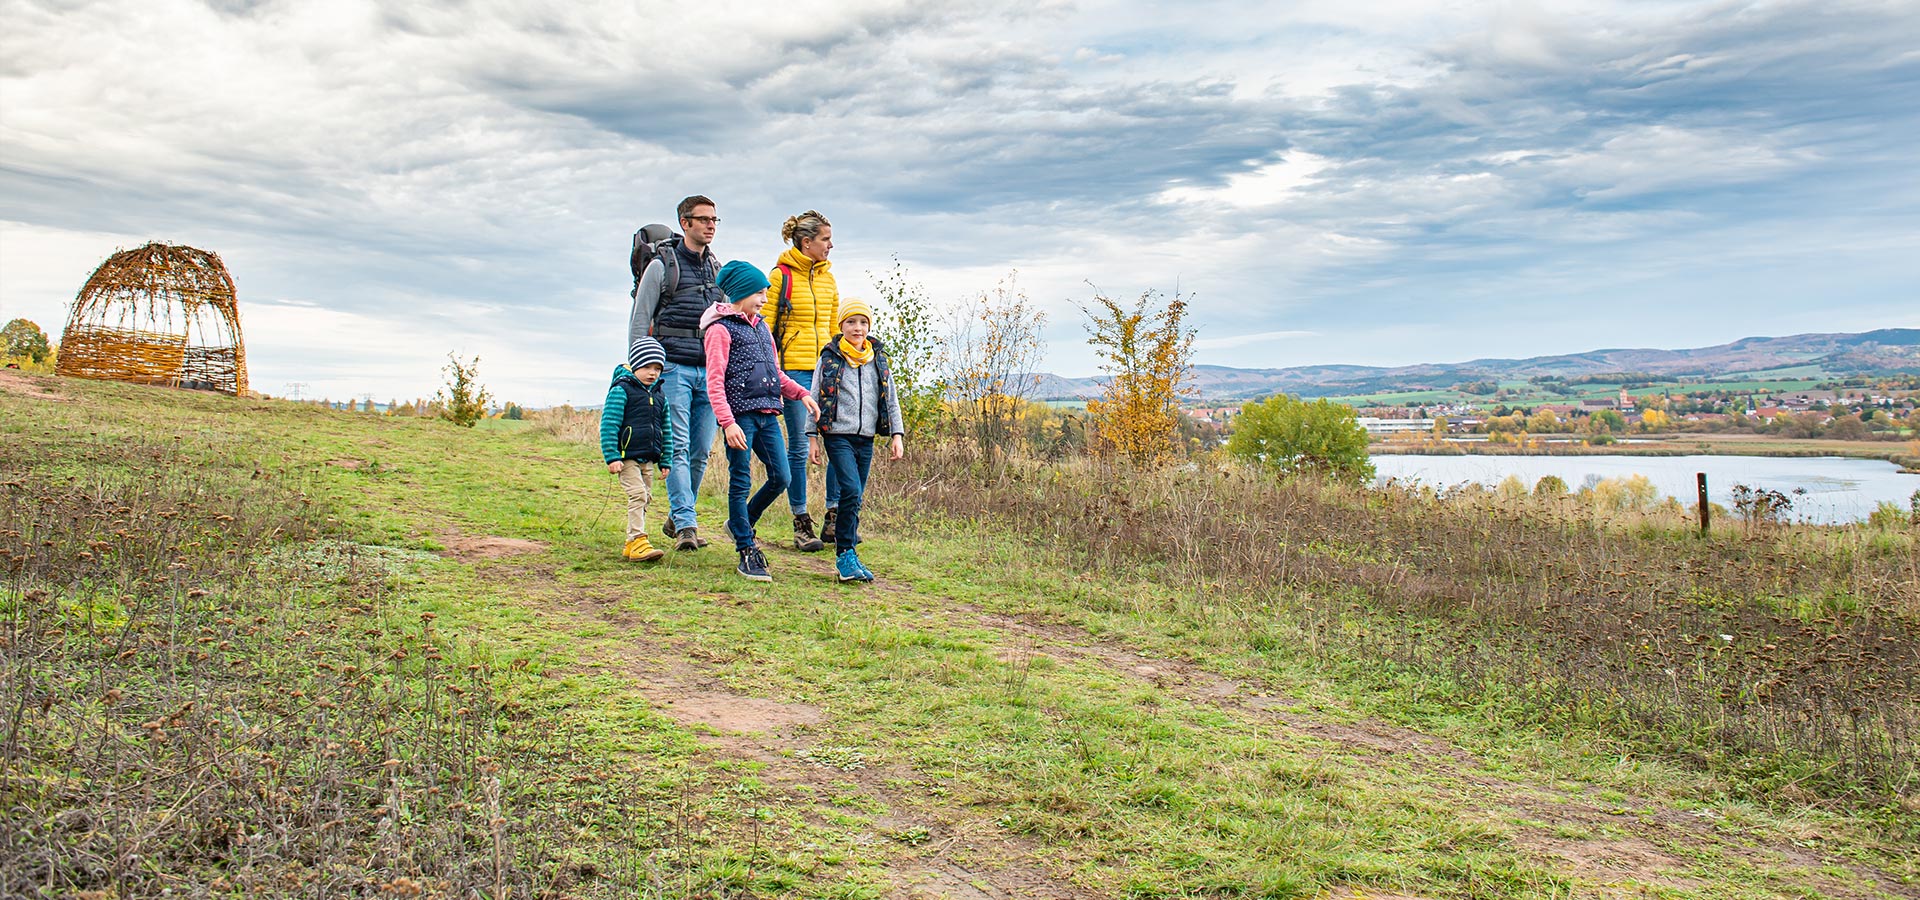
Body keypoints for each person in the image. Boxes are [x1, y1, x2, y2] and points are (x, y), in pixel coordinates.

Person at [701, 260, 821, 582]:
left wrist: (802, 394)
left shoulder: (763, 328)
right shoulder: (719, 330)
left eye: (766, 293)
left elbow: (776, 373)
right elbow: (714, 381)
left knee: (782, 476)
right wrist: (727, 423)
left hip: (769, 415)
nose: (765, 299)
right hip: (739, 419)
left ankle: (742, 522)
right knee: (740, 481)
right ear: (740, 293)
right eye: (759, 292)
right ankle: (746, 549)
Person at [629, 196, 724, 552]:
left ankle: (678, 513)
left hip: (709, 371)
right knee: (680, 447)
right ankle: (686, 523)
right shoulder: (661, 267)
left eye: (715, 220)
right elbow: (640, 319)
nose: (710, 225)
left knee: (701, 450)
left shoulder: (717, 269)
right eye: (703, 220)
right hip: (673, 368)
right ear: (685, 223)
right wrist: (638, 365)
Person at [807, 298, 905, 583]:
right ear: (841, 326)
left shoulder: (879, 359)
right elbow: (813, 398)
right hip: (837, 435)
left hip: (866, 438)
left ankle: (849, 554)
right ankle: (844, 554)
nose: (857, 328)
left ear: (869, 326)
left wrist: (896, 435)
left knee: (856, 496)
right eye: (851, 322)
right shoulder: (830, 357)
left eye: (863, 322)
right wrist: (812, 438)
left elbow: (891, 400)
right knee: (849, 490)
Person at [761, 210, 839, 552]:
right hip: (793, 370)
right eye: (825, 240)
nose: (831, 245)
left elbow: (836, 327)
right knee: (797, 446)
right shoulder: (780, 276)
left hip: (828, 372)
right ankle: (801, 522)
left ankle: (835, 517)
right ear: (806, 242)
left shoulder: (829, 279)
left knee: (838, 443)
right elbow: (764, 327)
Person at [600, 337, 672, 562]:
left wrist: (666, 459)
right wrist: (612, 455)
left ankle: (632, 543)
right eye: (647, 367)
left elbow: (666, 429)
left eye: (657, 368)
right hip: (626, 457)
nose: (653, 373)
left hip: (648, 458)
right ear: (635, 365)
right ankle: (638, 539)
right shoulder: (622, 390)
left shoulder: (659, 395)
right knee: (638, 494)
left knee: (646, 497)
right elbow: (609, 423)